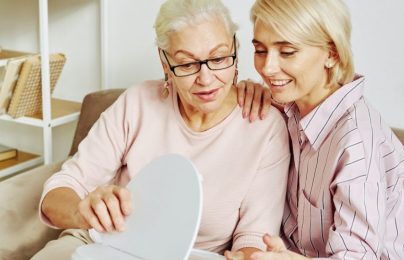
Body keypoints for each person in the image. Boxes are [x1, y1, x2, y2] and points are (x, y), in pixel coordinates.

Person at [32, 0, 291, 259]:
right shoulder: (137, 103)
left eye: (219, 58)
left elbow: (255, 235)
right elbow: (60, 189)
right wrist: (81, 212)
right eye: (187, 64)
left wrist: (245, 256)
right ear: (165, 62)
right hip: (105, 246)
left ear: (234, 49)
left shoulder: (265, 126)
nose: (206, 78)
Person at [235, 0, 404, 259]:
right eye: (261, 50)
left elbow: (358, 256)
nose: (267, 67)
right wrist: (246, 90)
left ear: (332, 54)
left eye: (287, 52)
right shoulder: (290, 106)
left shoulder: (356, 142)